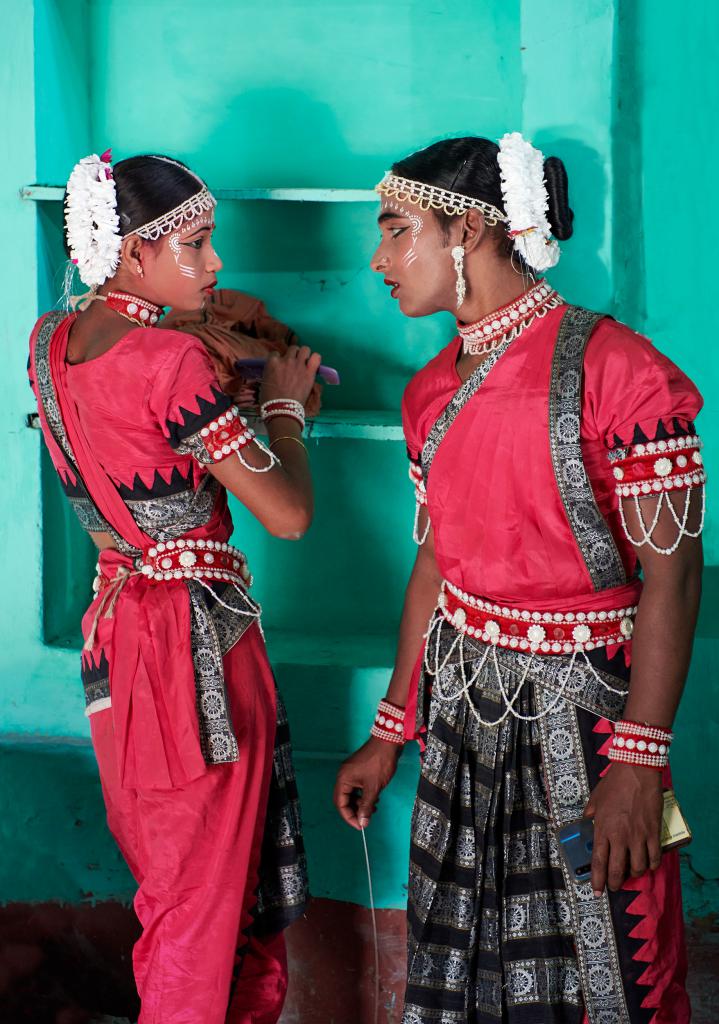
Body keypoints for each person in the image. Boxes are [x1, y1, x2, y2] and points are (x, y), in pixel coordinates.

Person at [334, 133, 704, 1023]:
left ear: (465, 233)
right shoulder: (427, 394)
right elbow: (437, 562)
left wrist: (639, 764)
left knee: (611, 957)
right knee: (465, 955)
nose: (378, 259)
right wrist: (390, 729)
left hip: (588, 727)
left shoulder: (619, 373)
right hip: (462, 719)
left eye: (396, 230)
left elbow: (674, 579)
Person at [28, 150, 318, 1024]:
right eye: (193, 245)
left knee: (174, 882)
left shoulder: (47, 343)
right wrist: (284, 410)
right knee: (207, 903)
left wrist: (212, 326)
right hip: (195, 650)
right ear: (131, 251)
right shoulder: (170, 365)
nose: (214, 264)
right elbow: (289, 514)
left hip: (114, 641)